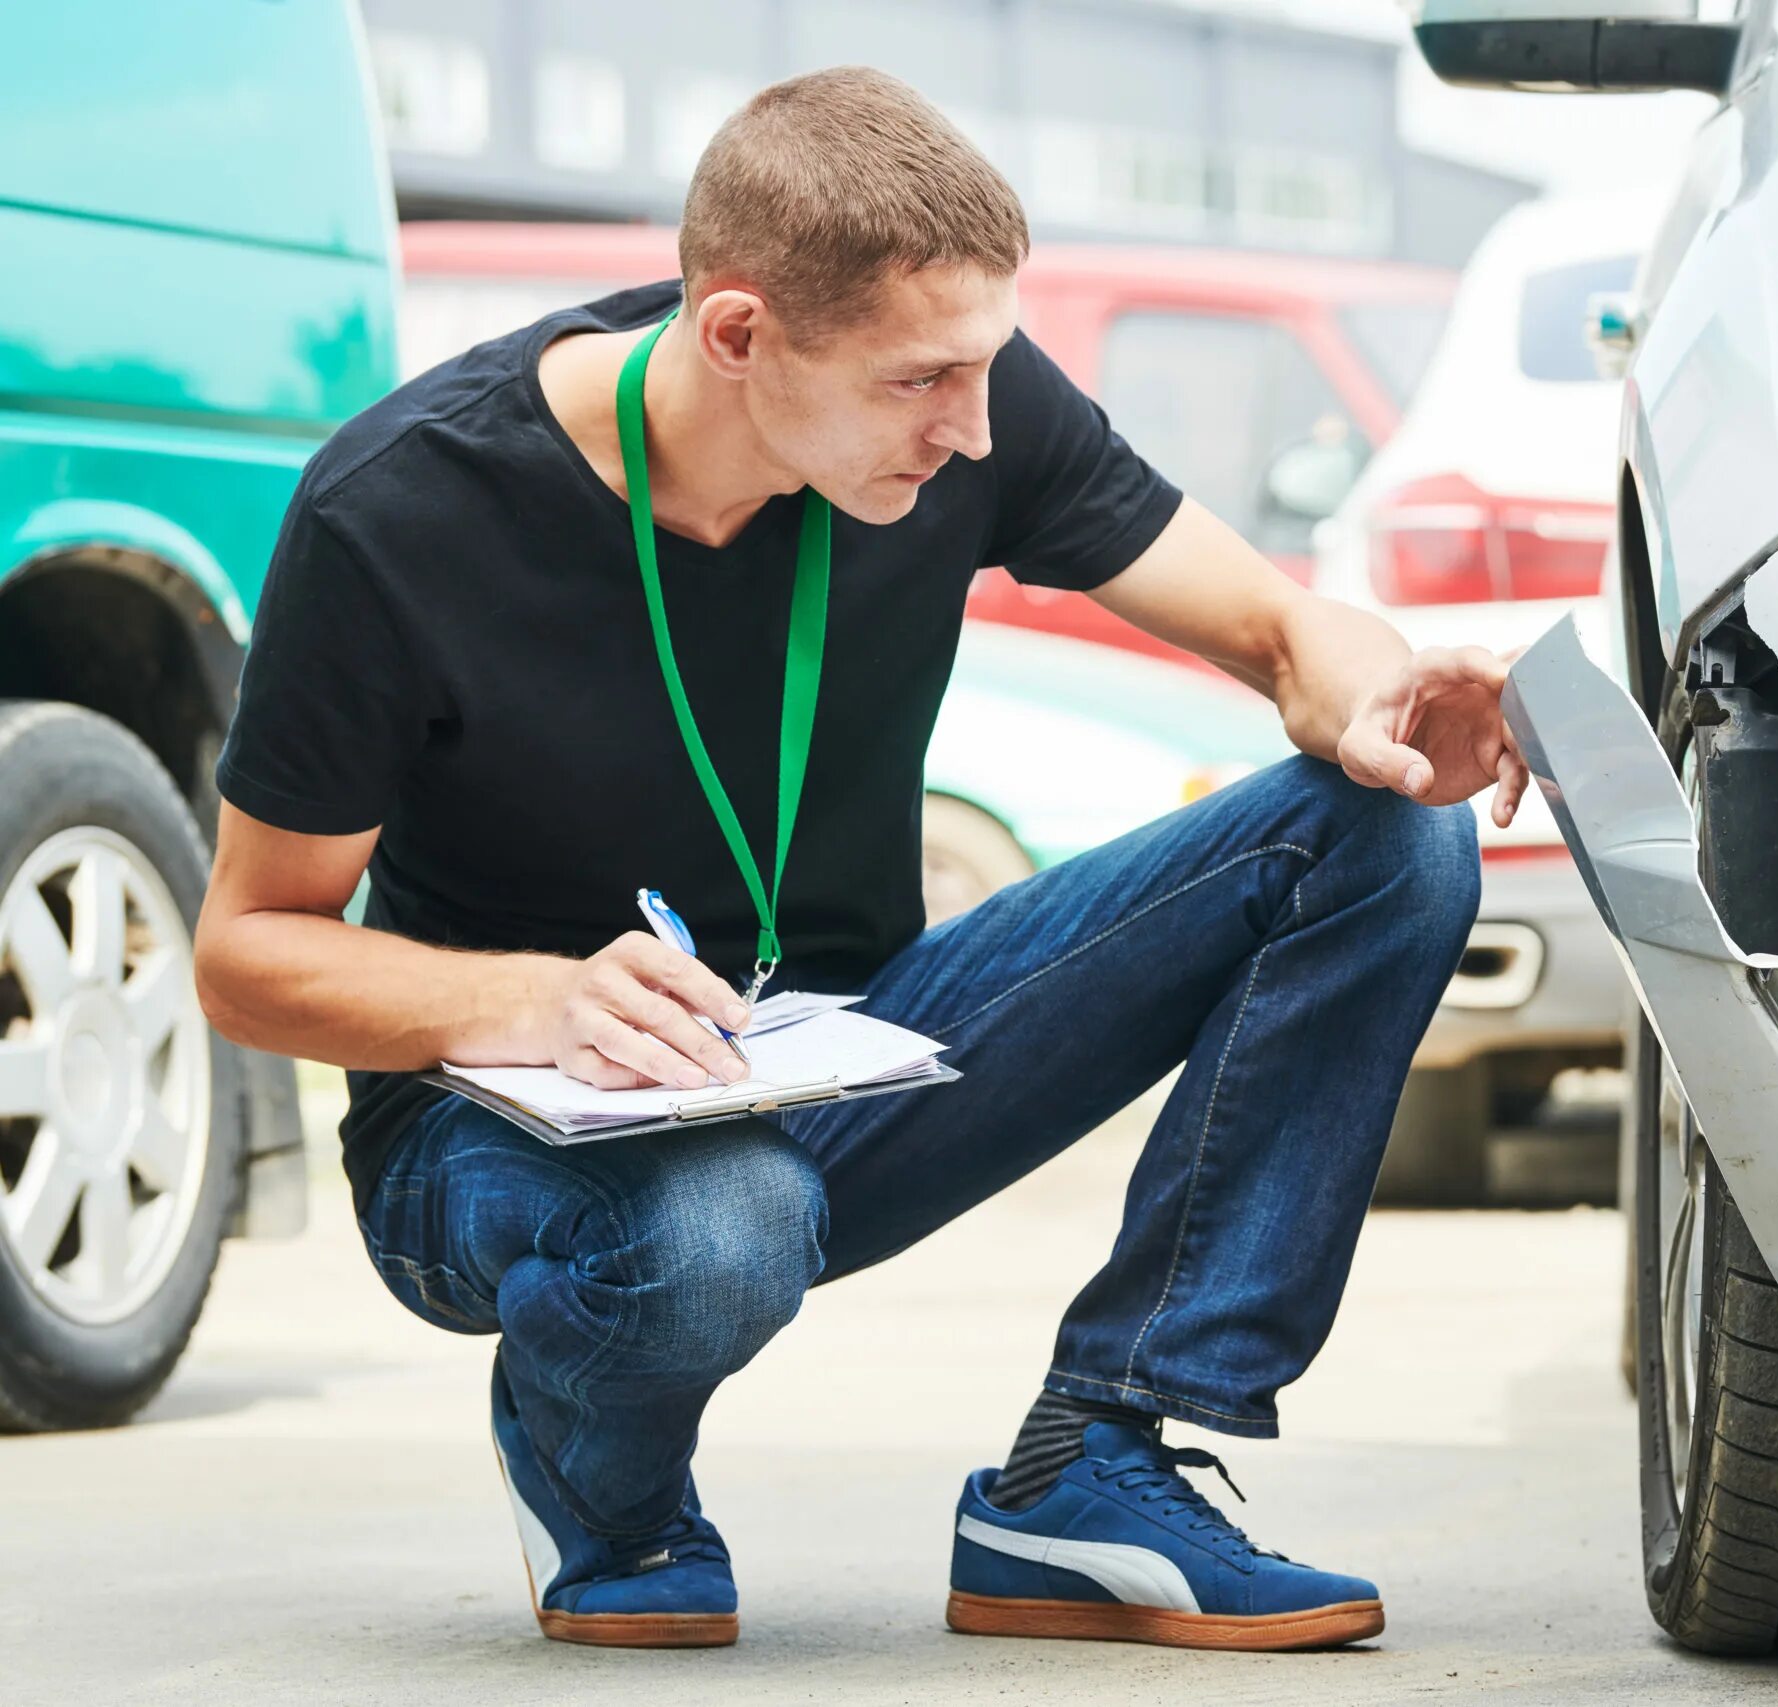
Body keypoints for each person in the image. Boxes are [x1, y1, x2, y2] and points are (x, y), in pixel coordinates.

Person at [195, 66, 1525, 1654]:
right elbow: (249, 950)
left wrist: (1371, 685)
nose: (972, 431)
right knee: (718, 1221)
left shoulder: (966, 407)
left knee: (1385, 835)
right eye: (922, 384)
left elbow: (1277, 624)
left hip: (842, 1049)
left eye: (983, 372)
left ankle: (1094, 1464)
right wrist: (539, 1004)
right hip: (494, 1121)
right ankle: (600, 1483)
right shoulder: (399, 512)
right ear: (740, 333)